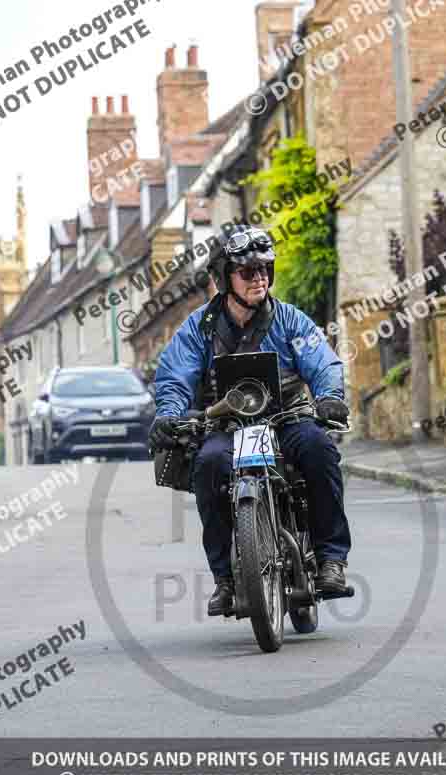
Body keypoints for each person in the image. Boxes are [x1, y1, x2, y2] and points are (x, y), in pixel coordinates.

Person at [149, 225, 352, 616]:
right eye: (247, 271)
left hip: (287, 420)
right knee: (209, 464)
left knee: (319, 449)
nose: (258, 277)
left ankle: (331, 559)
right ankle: (225, 580)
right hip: (226, 426)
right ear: (225, 278)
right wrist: (169, 414)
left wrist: (329, 397)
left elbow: (322, 361)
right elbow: (175, 376)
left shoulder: (290, 320)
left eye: (264, 269)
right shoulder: (198, 329)